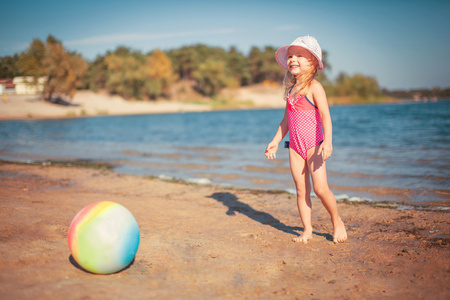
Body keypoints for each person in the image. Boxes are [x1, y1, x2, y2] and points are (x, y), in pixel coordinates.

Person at [264, 36, 347, 244]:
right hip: (295, 147)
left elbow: (326, 117)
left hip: (314, 145)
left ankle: (337, 221)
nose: (293, 59)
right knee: (301, 190)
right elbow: (285, 121)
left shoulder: (315, 87)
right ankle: (307, 230)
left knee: (320, 189)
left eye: (299, 55)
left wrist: (328, 142)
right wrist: (274, 141)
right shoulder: (290, 90)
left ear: (312, 61)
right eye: (291, 56)